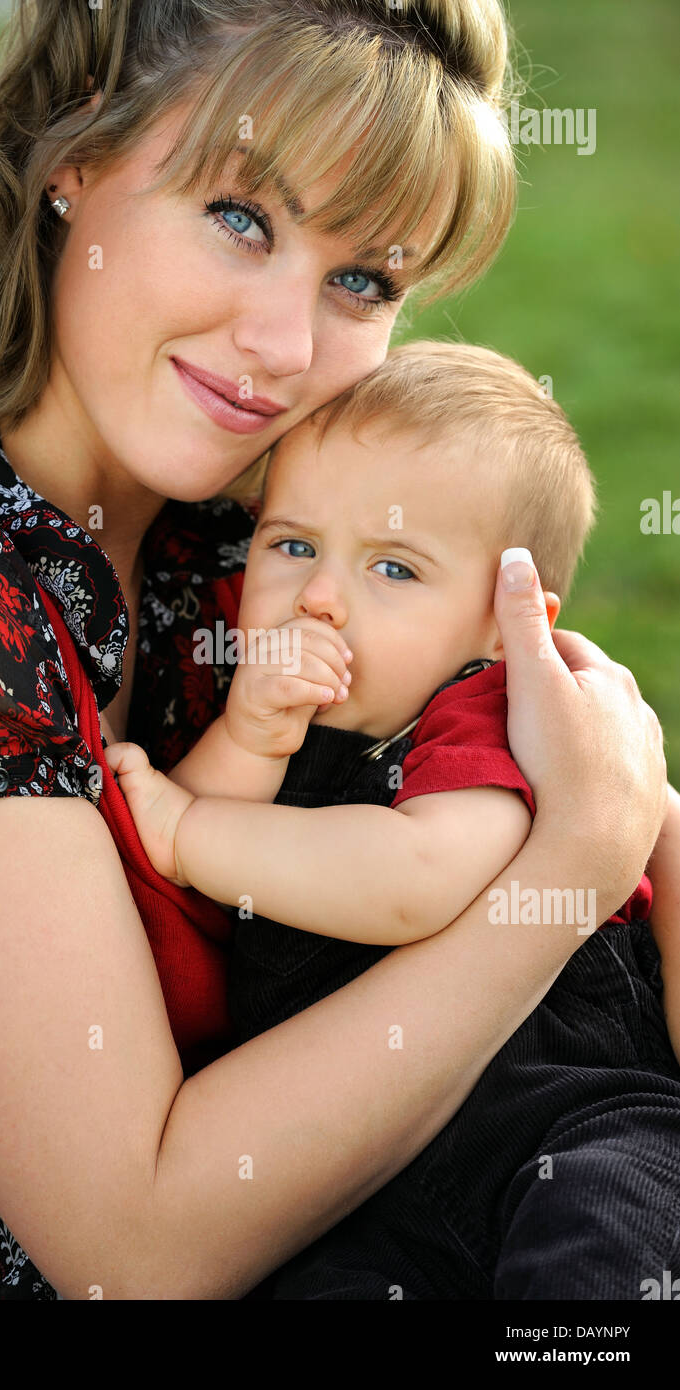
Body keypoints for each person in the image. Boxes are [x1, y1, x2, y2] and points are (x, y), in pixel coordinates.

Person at [0, 0, 672, 1302]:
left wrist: (628, 818)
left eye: (363, 279)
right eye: (240, 216)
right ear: (71, 160)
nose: (283, 348)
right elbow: (133, 1252)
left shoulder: (265, 527)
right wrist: (568, 863)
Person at [106, 341, 680, 1298]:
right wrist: (249, 733)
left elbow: (411, 882)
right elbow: (192, 837)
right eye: (293, 546)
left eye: (395, 569)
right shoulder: (267, 713)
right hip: (363, 1180)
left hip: (568, 1119)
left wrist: (184, 834)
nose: (319, 598)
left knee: (598, 1262)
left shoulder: (487, 717)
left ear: (505, 624)